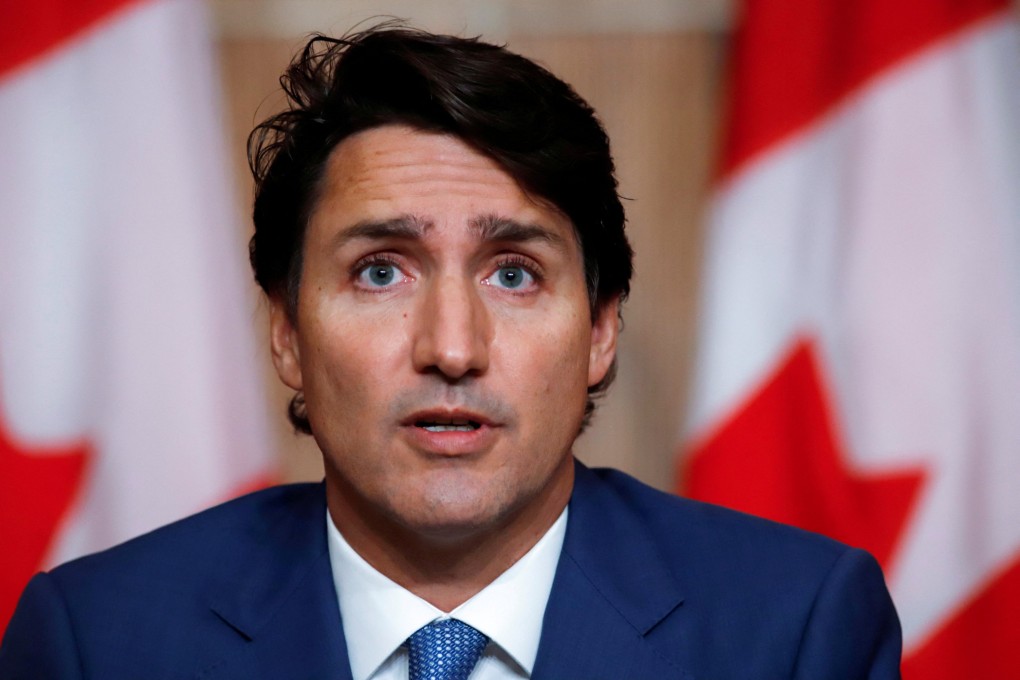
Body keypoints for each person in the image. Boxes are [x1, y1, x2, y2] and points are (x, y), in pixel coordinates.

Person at [0, 22, 901, 679]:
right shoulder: (97, 641)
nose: (453, 349)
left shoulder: (795, 633)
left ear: (600, 330)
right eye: (382, 272)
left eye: (513, 274)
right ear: (286, 334)